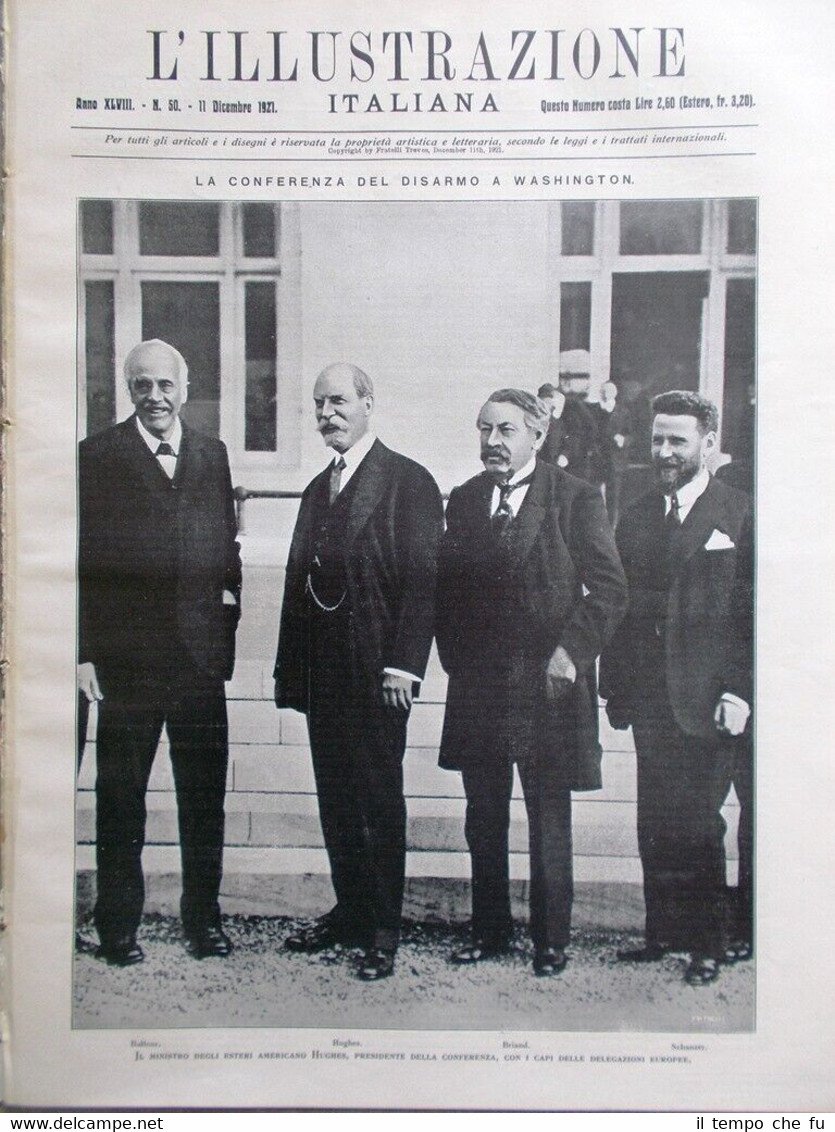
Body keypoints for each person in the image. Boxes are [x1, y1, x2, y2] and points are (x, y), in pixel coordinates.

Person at [436, 389, 627, 976]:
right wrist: (457, 660)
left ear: (538, 436)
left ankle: (551, 940)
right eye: (484, 429)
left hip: (547, 690)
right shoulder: (466, 499)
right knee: (483, 817)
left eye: (506, 431)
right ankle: (489, 931)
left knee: (548, 818)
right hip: (480, 690)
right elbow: (447, 589)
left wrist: (570, 654)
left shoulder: (575, 498)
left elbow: (610, 589)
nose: (492, 441)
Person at [274, 363, 444, 981]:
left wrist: (404, 665)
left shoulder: (408, 482)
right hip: (324, 676)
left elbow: (424, 583)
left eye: (339, 401)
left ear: (369, 404)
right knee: (337, 800)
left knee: (377, 800)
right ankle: (350, 911)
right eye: (319, 404)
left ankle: (382, 931)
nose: (328, 414)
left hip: (378, 676)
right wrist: (291, 673)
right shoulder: (317, 489)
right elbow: (297, 585)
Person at [78, 339, 242, 966]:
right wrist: (85, 653)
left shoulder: (211, 454)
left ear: (185, 388)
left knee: (203, 799)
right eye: (142, 385)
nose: (154, 397)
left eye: (165, 385)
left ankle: (204, 921)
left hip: (199, 664)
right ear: (128, 390)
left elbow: (226, 550)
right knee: (121, 799)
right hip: (128, 664)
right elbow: (84, 561)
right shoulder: (98, 456)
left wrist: (223, 631)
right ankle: (118, 926)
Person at [600, 390, 753, 985]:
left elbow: (751, 615)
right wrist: (616, 688)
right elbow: (620, 605)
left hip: (709, 699)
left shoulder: (738, 513)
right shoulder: (638, 514)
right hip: (650, 696)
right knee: (655, 819)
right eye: (657, 439)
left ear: (708, 444)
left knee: (699, 822)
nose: (664, 452)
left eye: (677, 441)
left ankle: (709, 943)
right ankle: (661, 932)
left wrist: (739, 692)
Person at [537, 353, 598, 482]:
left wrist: (568, 454)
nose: (564, 382)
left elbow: (588, 431)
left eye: (568, 378)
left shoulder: (576, 406)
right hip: (550, 459)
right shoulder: (546, 400)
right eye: (562, 377)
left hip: (573, 461)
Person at [588, 381, 633, 527]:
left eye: (609, 391)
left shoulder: (623, 412)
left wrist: (623, 440)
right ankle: (594, 524)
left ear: (615, 393)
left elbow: (631, 435)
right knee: (593, 493)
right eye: (604, 391)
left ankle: (611, 527)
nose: (606, 394)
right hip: (597, 458)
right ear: (601, 393)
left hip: (615, 460)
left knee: (613, 497)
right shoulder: (594, 410)